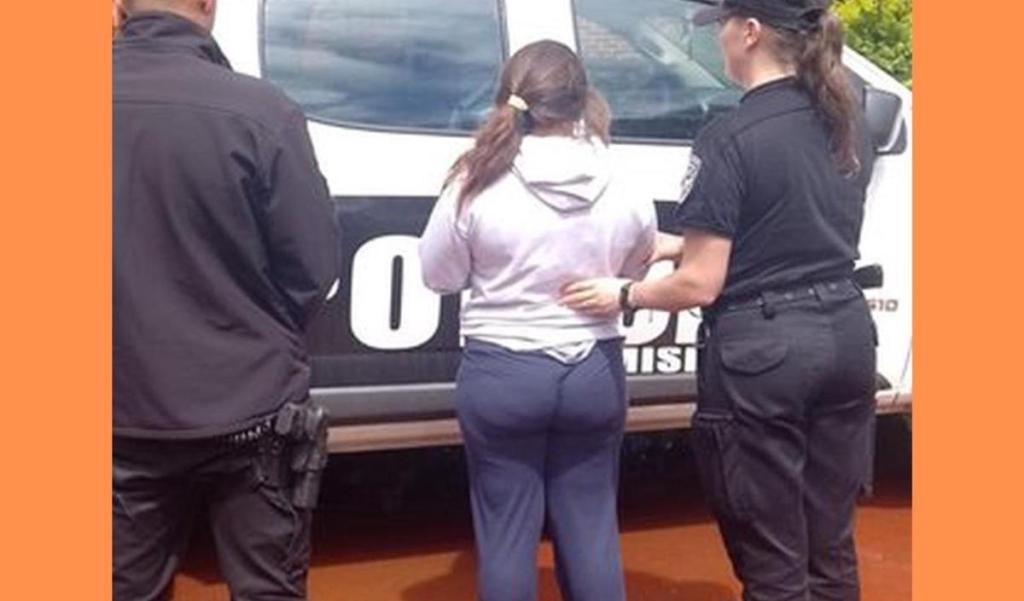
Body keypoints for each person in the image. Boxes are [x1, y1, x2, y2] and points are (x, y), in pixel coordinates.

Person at [562, 2, 878, 600]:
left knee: (774, 563)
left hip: (764, 355)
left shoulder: (729, 136)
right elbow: (792, 226)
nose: (720, 39)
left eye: (724, 27)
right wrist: (680, 244)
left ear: (750, 32)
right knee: (830, 549)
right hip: (845, 333)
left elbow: (699, 285)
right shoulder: (845, 116)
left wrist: (623, 294)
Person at [113, 1, 338, 599]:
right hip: (252, 404)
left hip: (116, 412)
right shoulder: (262, 112)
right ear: (209, 5)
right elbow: (312, 269)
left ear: (117, 7)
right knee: (268, 590)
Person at [419, 40, 657, 601]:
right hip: (593, 369)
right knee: (592, 528)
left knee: (506, 535)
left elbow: (438, 275)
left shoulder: (476, 179)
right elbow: (637, 265)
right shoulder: (621, 178)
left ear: (510, 98)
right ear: (583, 100)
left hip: (502, 370)